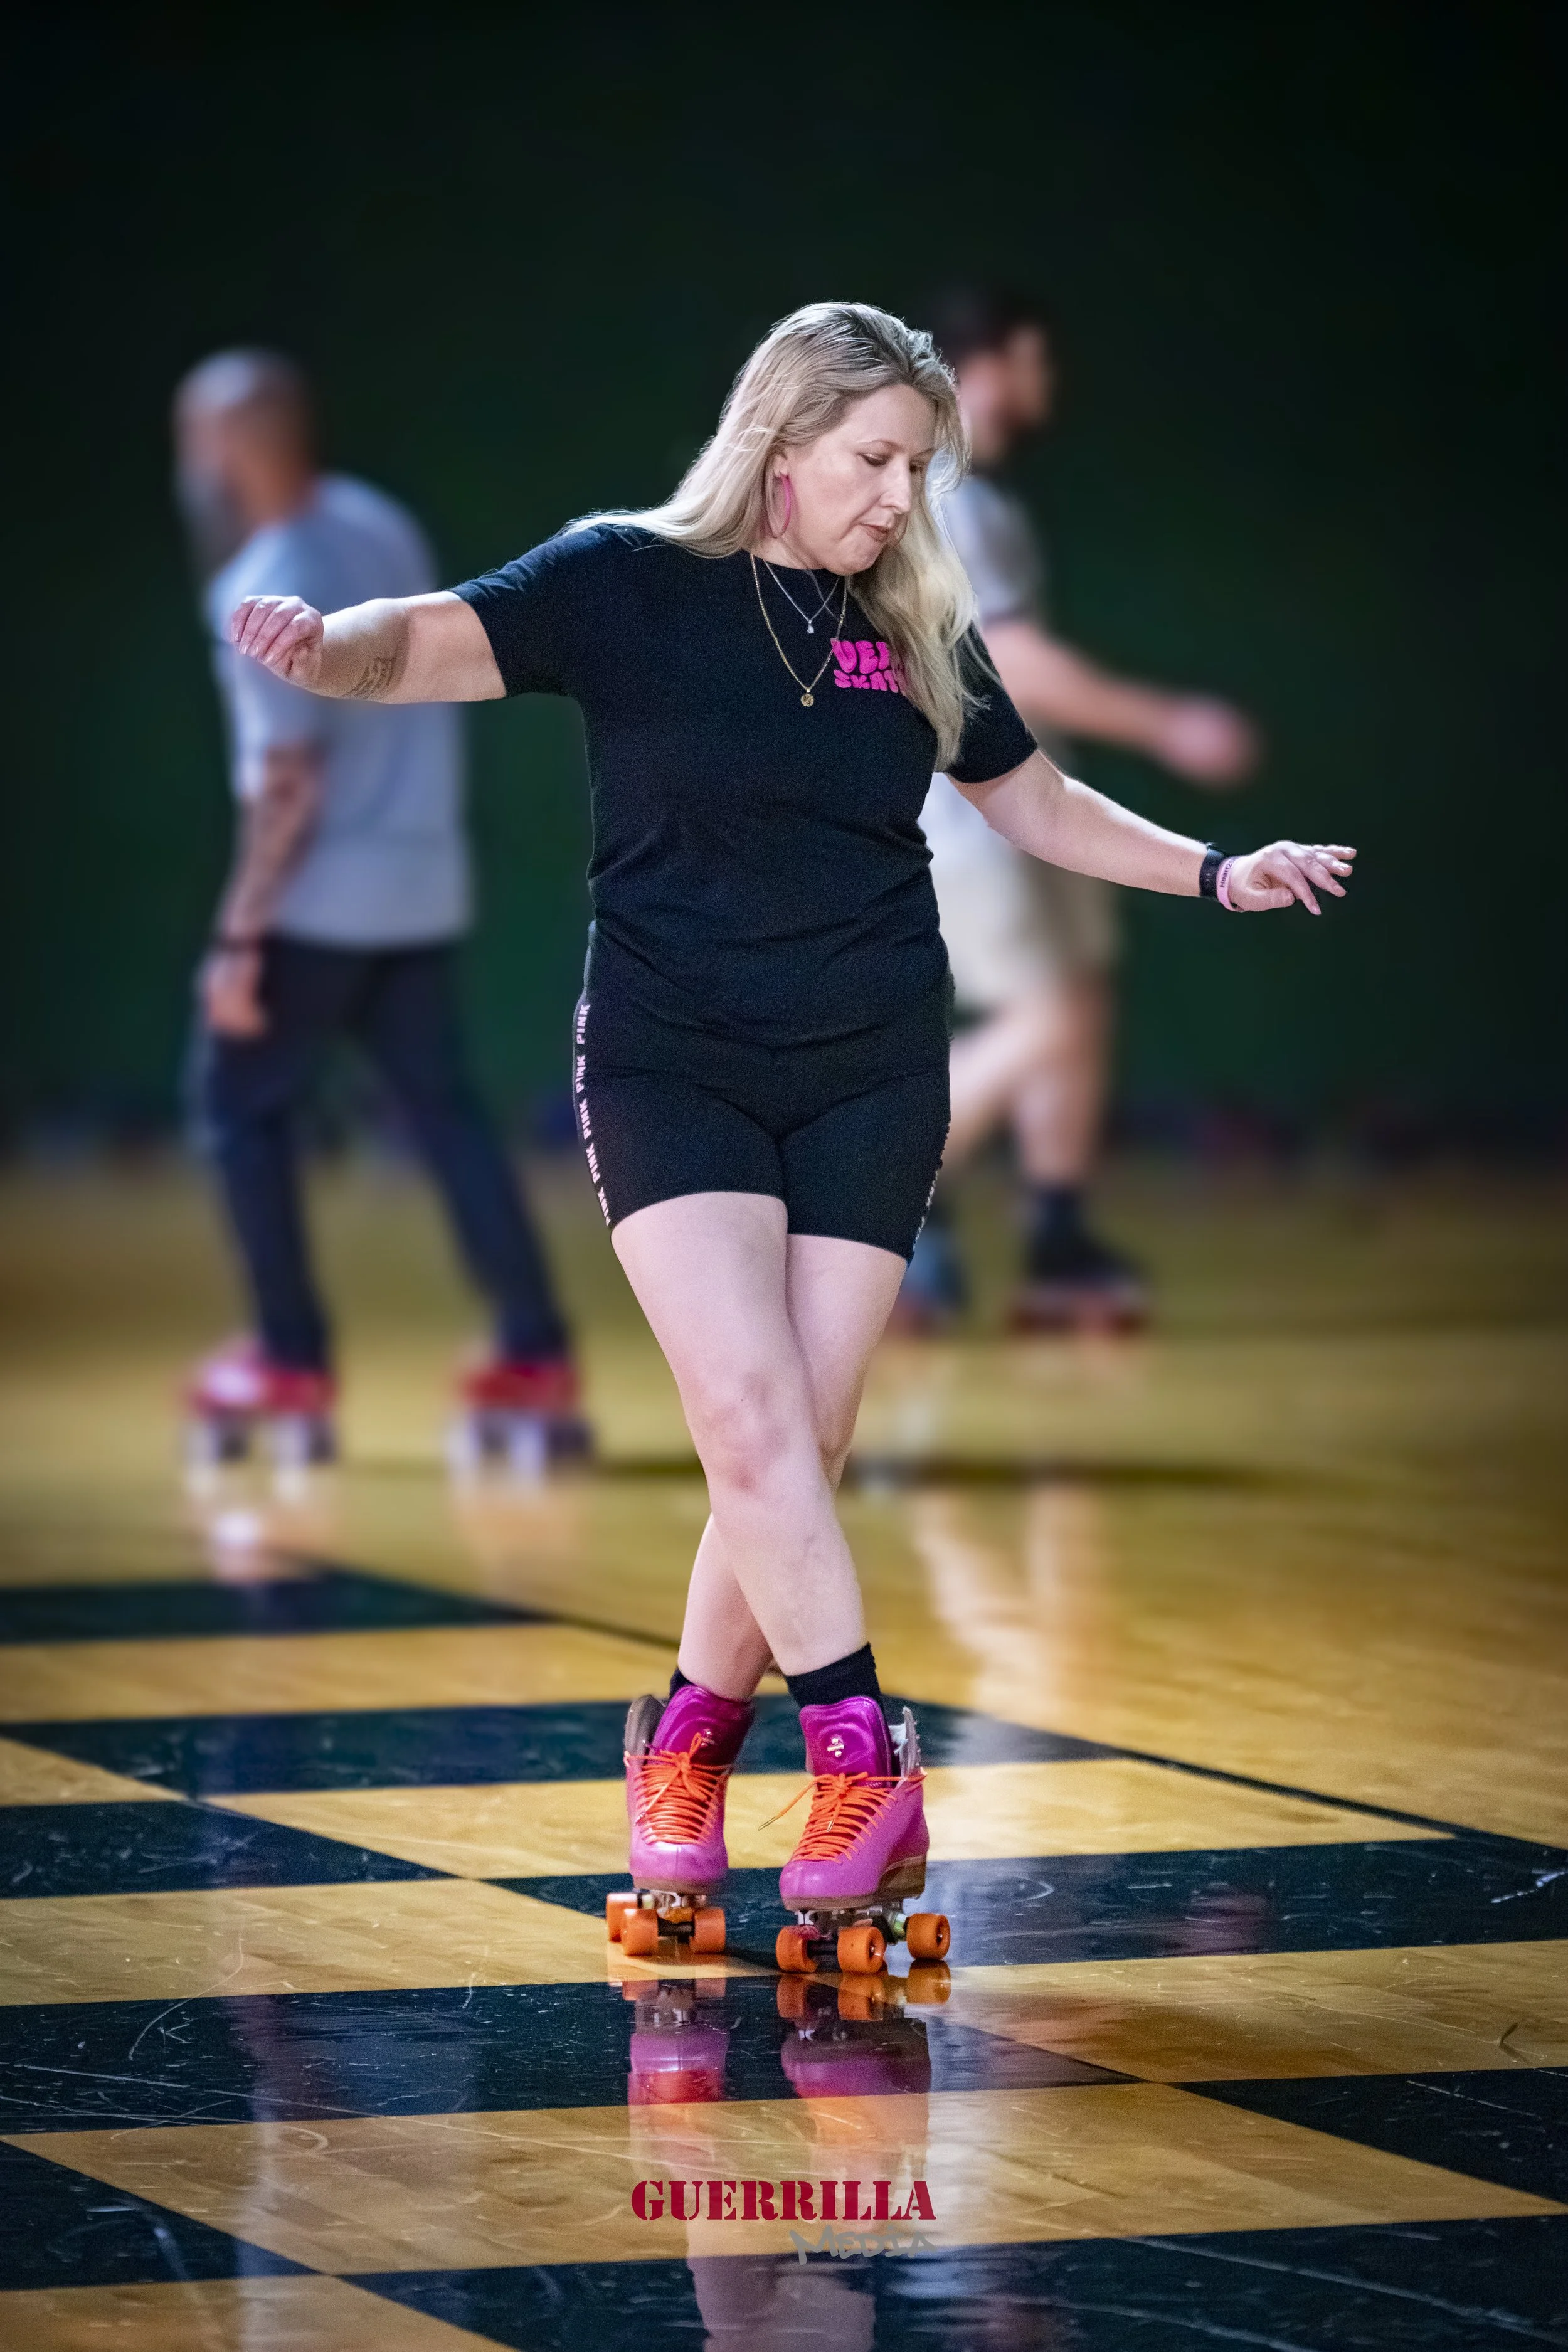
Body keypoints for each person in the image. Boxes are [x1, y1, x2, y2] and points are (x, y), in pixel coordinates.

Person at [225, 302, 1353, 1961]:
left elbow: (1030, 799)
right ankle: (859, 1749)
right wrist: (326, 645)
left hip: (870, 1066)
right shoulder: (620, 580)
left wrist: (1210, 866)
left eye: (919, 467)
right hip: (673, 1060)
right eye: (875, 461)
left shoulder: (911, 619)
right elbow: (429, 640)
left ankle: (681, 1746)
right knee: (747, 1423)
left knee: (793, 1449)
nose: (901, 498)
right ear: (780, 438)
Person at [175, 350, 582, 1466]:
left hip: (316, 907)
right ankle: (536, 1345)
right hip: (418, 888)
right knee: (448, 1121)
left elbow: (288, 779)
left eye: (200, 439)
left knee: (235, 1106)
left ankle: (289, 1357)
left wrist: (240, 936)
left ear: (234, 445)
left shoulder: (258, 576)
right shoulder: (381, 525)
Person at [906, 287, 1260, 1332]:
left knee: (1082, 1000)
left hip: (1027, 795)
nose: (1048, 383)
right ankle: (889, 1195)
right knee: (1045, 1017)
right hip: (961, 805)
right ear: (993, 364)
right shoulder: (944, 491)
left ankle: (1057, 1239)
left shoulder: (990, 501)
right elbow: (1007, 660)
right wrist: (1168, 725)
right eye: (1037, 360)